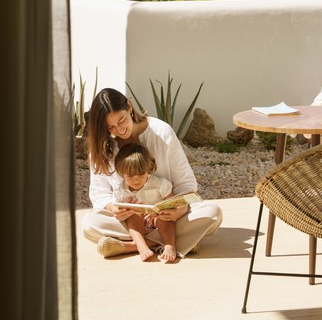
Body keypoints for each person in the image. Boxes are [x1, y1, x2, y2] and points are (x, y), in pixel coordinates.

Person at [82, 87, 223, 259]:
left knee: (212, 213)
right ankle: (176, 241)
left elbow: (186, 184)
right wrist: (114, 208)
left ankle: (136, 245)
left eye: (121, 121)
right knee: (90, 224)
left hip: (167, 217)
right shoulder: (102, 145)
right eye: (110, 127)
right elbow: (99, 193)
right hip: (130, 221)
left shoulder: (161, 132)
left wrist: (179, 210)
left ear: (130, 107)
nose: (119, 130)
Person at [114, 142, 177, 262]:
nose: (136, 180)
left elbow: (172, 202)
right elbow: (119, 210)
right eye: (130, 176)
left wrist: (160, 213)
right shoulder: (121, 189)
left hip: (158, 222)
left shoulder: (159, 184)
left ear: (148, 169)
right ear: (121, 173)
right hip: (138, 224)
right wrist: (128, 209)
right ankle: (142, 246)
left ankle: (169, 246)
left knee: (165, 219)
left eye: (141, 174)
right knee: (132, 217)